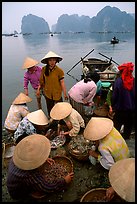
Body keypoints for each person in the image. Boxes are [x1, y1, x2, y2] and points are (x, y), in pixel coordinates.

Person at [6, 134, 74, 200]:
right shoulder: (29, 174)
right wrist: (64, 181)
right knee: (41, 190)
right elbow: (47, 187)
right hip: (18, 192)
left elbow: (31, 158)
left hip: (15, 183)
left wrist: (44, 159)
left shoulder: (19, 157)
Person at [37, 51, 68, 116]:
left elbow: (62, 82)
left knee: (60, 108)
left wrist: (65, 93)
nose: (52, 62)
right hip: (47, 93)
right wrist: (38, 89)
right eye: (50, 60)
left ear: (56, 61)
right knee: (50, 108)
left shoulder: (59, 71)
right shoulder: (44, 69)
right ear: (47, 61)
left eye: (54, 60)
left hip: (57, 93)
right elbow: (41, 81)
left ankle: (61, 121)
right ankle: (51, 120)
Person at [112, 62, 135, 139]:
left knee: (116, 127)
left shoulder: (118, 81)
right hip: (132, 110)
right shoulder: (134, 81)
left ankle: (116, 142)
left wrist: (113, 106)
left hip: (120, 109)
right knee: (128, 127)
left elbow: (114, 96)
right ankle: (126, 139)